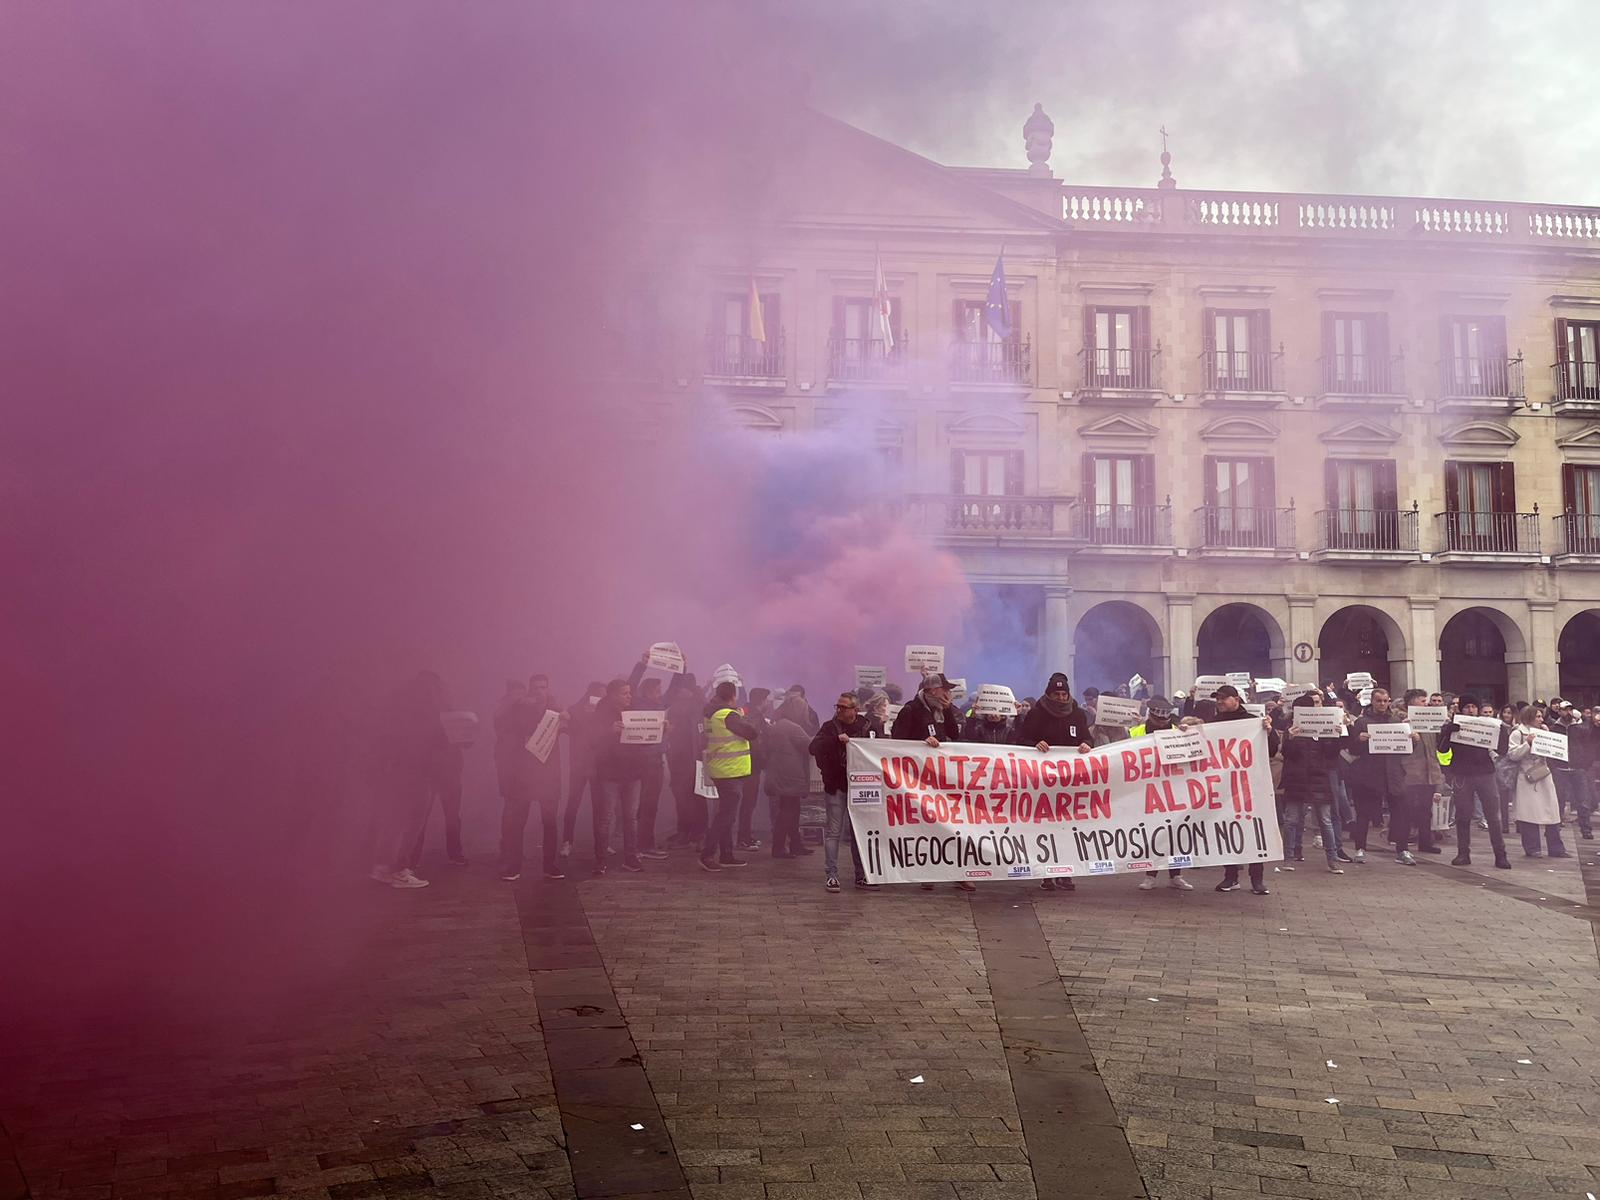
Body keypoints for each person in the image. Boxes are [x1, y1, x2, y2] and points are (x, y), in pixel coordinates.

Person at [893, 674, 974, 892]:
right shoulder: (911, 710)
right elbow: (897, 740)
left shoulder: (944, 709)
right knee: (925, 825)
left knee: (952, 824)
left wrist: (948, 711)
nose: (947, 693)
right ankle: (926, 871)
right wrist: (920, 745)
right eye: (943, 689)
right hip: (919, 778)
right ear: (930, 691)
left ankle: (958, 872)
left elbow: (954, 735)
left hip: (942, 777)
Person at [1014, 673, 1093, 893]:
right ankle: (1046, 873)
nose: (1060, 697)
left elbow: (1087, 738)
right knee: (1045, 827)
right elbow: (1021, 740)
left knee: (1067, 826)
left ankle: (1065, 873)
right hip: (1043, 782)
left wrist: (1086, 744)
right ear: (1049, 694)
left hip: (1069, 782)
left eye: (1063, 693)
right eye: (1056, 694)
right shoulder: (1037, 714)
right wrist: (1034, 744)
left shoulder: (1077, 714)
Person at [372, 671, 451, 889]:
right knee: (413, 822)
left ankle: (381, 867)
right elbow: (438, 745)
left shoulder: (398, 712)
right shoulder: (430, 714)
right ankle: (399, 870)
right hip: (418, 773)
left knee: (395, 820)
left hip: (397, 772)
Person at [1207, 684, 1279, 895]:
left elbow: (1272, 749)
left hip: (1251, 785)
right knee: (1228, 831)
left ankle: (1257, 879)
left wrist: (1269, 730)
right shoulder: (1214, 723)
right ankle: (1231, 877)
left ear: (1236, 699)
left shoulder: (1251, 721)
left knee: (1255, 831)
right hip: (1226, 786)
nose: (1219, 701)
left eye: (1223, 698)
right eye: (1217, 698)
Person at [494, 673, 565, 882]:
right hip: (523, 776)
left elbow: (577, 729)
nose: (539, 692)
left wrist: (567, 719)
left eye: (543, 687)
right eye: (535, 688)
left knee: (550, 823)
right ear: (529, 690)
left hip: (549, 776)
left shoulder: (556, 710)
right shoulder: (518, 709)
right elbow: (502, 726)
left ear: (548, 689)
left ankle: (550, 865)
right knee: (517, 823)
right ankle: (513, 866)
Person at [809, 692, 882, 892]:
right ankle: (831, 875)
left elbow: (881, 750)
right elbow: (813, 747)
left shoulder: (868, 727)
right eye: (837, 706)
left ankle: (862, 875)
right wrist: (835, 740)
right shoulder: (829, 727)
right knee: (834, 832)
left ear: (855, 710)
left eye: (843, 707)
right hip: (836, 786)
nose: (839, 710)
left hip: (861, 788)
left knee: (859, 832)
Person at [1437, 693, 1512, 869]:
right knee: (1463, 816)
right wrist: (1448, 733)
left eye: (1473, 707)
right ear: (1461, 709)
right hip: (1463, 775)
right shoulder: (1453, 726)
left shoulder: (1487, 726)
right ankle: (1463, 853)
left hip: (1485, 773)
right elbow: (1441, 749)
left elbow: (1502, 750)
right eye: (1467, 707)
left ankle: (1500, 855)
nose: (1470, 710)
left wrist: (1501, 732)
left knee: (1493, 816)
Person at [1127, 697, 1193, 890]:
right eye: (1158, 719)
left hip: (1173, 788)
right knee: (1153, 832)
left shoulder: (1177, 731)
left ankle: (1176, 875)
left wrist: (1187, 736)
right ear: (1151, 716)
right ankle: (1151, 875)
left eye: (1165, 720)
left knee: (1177, 833)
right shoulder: (1135, 732)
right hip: (1147, 788)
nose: (1162, 723)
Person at [591, 677, 648, 876]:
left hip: (632, 772)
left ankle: (631, 858)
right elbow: (591, 740)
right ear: (613, 695)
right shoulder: (601, 712)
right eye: (625, 693)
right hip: (610, 773)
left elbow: (643, 737)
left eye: (629, 693)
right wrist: (609, 731)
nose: (629, 696)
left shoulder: (633, 711)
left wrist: (659, 730)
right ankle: (600, 860)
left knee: (630, 817)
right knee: (606, 818)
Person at [1281, 693, 1343, 873]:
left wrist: (1336, 737)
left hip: (1318, 777)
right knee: (1292, 819)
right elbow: (1288, 754)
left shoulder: (1323, 727)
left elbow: (1331, 755)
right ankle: (1288, 858)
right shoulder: (1292, 730)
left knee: (1325, 820)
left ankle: (1332, 859)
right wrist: (1291, 739)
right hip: (1298, 778)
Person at [701, 680, 758, 872]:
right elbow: (751, 733)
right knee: (725, 816)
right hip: (730, 771)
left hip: (720, 768)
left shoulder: (711, 713)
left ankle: (726, 854)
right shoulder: (729, 715)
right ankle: (707, 854)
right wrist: (746, 718)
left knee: (727, 814)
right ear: (733, 696)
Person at [1348, 688, 1409, 864]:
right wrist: (1359, 740)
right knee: (1364, 813)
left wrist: (1413, 739)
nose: (1382, 704)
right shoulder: (1361, 722)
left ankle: (1402, 850)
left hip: (1393, 774)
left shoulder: (1396, 720)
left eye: (1385, 701)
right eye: (1379, 701)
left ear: (1389, 701)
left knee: (1400, 813)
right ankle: (1360, 848)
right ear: (1372, 702)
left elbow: (1406, 750)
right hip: (1369, 774)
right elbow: (1353, 750)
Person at [1508, 707, 1570, 858]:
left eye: (1541, 717)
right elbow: (1512, 755)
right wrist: (1527, 744)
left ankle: (1556, 848)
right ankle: (1532, 848)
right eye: (1538, 717)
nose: (1541, 720)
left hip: (1543, 775)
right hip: (1526, 777)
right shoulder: (1518, 733)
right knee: (1529, 813)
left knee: (1552, 811)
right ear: (1529, 717)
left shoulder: (1543, 730)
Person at [1390, 690, 1443, 863]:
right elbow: (1395, 744)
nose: (1426, 704)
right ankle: (1402, 845)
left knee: (1425, 810)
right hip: (1410, 770)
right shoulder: (1398, 719)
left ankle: (1425, 841)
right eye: (1422, 701)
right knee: (1406, 810)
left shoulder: (1427, 718)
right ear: (1412, 702)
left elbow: (1435, 744)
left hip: (1428, 770)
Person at [626, 661, 671, 861]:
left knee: (651, 804)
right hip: (640, 761)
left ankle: (645, 844)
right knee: (640, 805)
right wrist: (641, 664)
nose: (659, 693)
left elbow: (675, 689)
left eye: (660, 690)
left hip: (656, 761)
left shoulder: (661, 705)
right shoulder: (636, 703)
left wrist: (683, 668)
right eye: (655, 690)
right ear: (646, 692)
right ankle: (639, 846)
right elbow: (632, 683)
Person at [763, 696, 816, 858]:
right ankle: (779, 848)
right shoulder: (793, 728)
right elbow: (810, 747)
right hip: (790, 776)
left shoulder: (777, 725)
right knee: (788, 811)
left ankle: (795, 844)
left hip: (779, 774)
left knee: (790, 810)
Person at [560, 681, 606, 858]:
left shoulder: (605, 712)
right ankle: (567, 841)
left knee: (599, 806)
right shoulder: (575, 710)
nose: (601, 698)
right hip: (579, 764)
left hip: (598, 765)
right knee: (573, 803)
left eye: (603, 695)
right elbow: (566, 726)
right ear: (589, 693)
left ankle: (601, 843)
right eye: (598, 694)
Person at [663, 675, 706, 849]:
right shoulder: (682, 706)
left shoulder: (693, 706)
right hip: (683, 758)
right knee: (686, 796)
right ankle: (689, 831)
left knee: (691, 797)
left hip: (688, 759)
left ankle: (694, 832)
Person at [738, 687, 774, 853]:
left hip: (747, 764)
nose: (769, 702)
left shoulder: (746, 712)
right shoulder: (754, 716)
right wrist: (764, 761)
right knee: (747, 803)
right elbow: (756, 742)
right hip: (751, 766)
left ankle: (745, 836)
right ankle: (743, 839)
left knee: (747, 803)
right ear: (761, 700)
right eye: (767, 699)